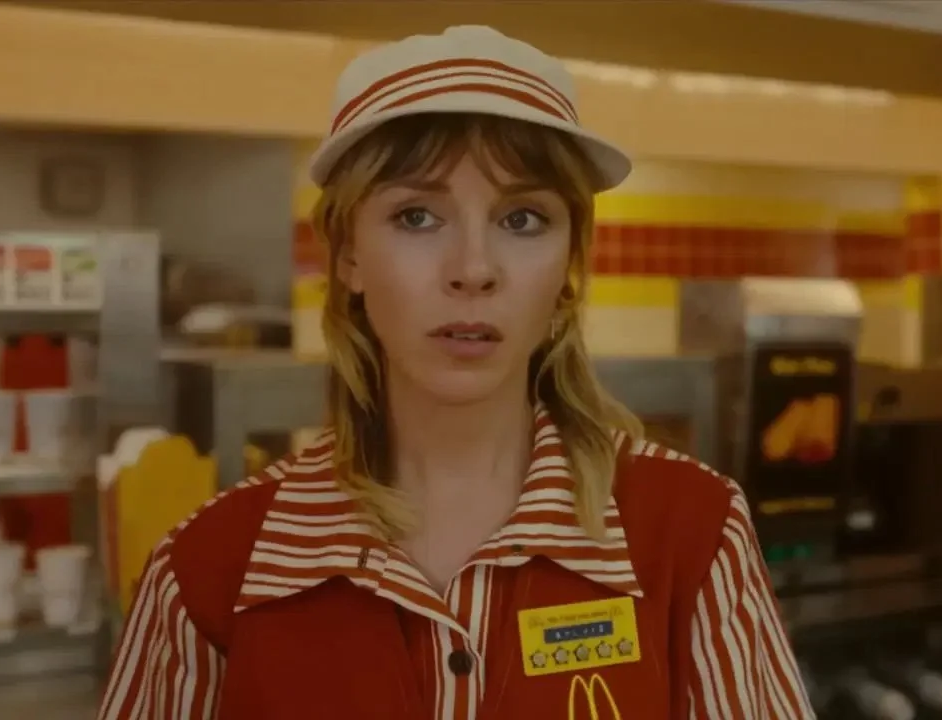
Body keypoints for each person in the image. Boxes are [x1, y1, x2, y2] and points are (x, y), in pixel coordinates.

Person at [99, 25, 812, 720]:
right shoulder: (205, 574)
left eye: (523, 219)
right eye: (416, 216)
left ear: (569, 265)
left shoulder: (694, 535)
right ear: (348, 256)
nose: (473, 269)